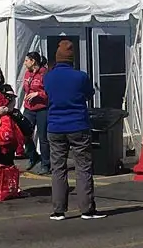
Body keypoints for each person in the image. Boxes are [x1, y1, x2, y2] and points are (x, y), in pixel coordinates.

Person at [43, 40, 104, 220]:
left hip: (54, 125)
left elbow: (47, 95)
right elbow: (89, 94)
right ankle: (86, 209)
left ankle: (59, 210)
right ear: (72, 59)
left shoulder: (48, 77)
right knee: (83, 167)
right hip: (78, 124)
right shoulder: (81, 76)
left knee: (58, 168)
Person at [19, 51, 51, 175]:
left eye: (27, 60)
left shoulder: (45, 74)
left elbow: (49, 92)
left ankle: (46, 163)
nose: (25, 62)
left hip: (42, 108)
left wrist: (38, 94)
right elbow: (26, 88)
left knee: (43, 137)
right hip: (29, 108)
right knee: (25, 133)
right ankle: (33, 156)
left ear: (33, 61)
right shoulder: (27, 73)